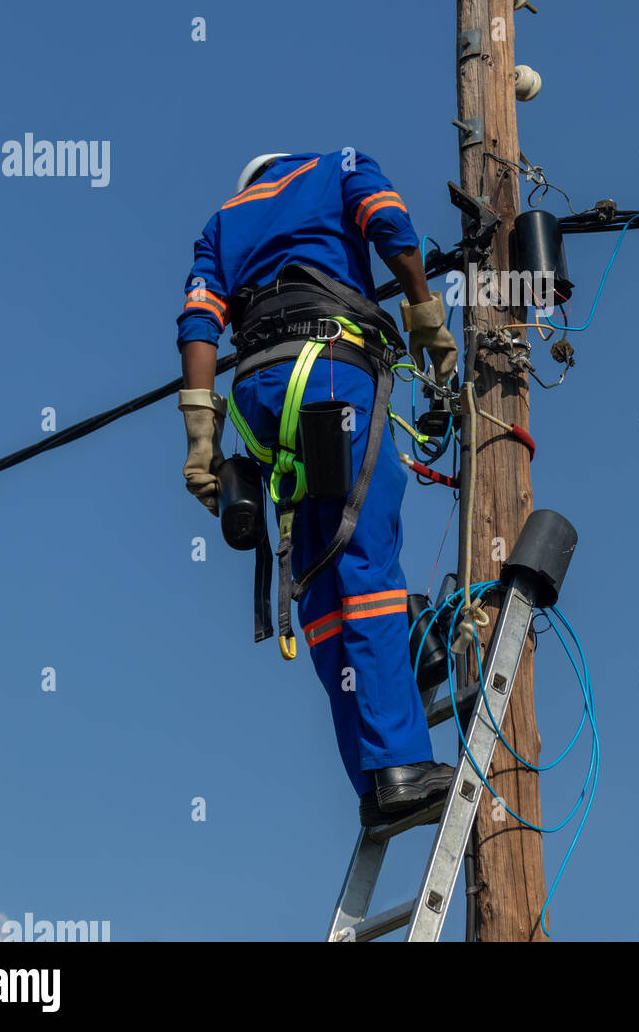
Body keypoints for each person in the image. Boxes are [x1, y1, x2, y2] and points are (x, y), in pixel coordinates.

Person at [175, 150, 459, 827]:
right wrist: (425, 314)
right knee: (363, 561)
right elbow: (390, 224)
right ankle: (402, 768)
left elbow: (197, 320)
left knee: (320, 582)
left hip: (260, 397)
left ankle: (372, 781)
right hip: (332, 367)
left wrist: (200, 436)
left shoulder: (225, 219)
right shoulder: (340, 167)